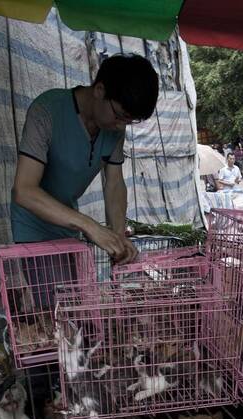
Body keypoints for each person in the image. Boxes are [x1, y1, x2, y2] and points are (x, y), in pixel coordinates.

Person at [11, 53, 158, 265]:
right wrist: (89, 226)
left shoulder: (114, 128)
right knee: (54, 291)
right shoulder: (47, 111)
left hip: (67, 223)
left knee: (73, 293)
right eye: (119, 116)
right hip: (34, 226)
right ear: (100, 90)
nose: (120, 126)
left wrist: (118, 238)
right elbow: (24, 191)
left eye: (129, 121)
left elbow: (115, 183)